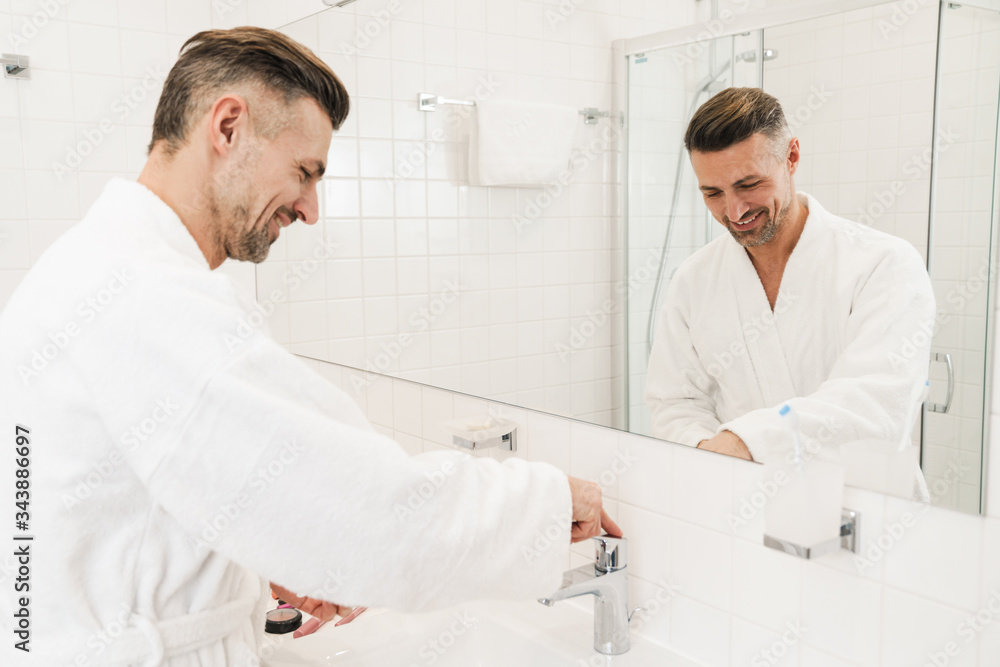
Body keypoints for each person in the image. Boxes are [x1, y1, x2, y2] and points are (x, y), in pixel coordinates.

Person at [0, 27, 618, 666]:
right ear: (229, 126)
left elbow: (131, 509)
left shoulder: (95, 263)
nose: (310, 208)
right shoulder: (149, 295)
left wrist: (242, 559)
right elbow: (374, 514)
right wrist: (543, 503)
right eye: (304, 171)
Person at [645, 87, 935, 465]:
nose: (734, 211)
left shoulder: (885, 265)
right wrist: (710, 460)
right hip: (741, 501)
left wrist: (745, 443)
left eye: (748, 185)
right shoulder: (694, 279)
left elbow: (877, 400)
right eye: (712, 192)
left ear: (792, 156)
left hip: (862, 509)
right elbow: (675, 403)